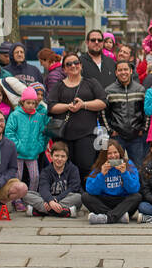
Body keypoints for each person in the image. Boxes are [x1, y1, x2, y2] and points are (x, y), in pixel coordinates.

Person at [46, 53, 107, 181]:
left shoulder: (91, 83)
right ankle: (70, 196)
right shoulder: (59, 86)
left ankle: (85, 196)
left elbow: (102, 102)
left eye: (76, 62)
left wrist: (83, 105)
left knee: (86, 166)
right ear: (64, 69)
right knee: (65, 168)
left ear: (81, 65)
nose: (73, 66)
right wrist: (68, 106)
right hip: (64, 135)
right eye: (69, 64)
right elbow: (51, 107)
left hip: (87, 134)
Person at [5, 87, 49, 205]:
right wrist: (18, 146)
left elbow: (42, 134)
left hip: (32, 153)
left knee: (35, 177)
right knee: (17, 176)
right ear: (22, 102)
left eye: (33, 103)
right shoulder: (15, 115)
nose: (31, 105)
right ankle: (17, 200)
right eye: (28, 102)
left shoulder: (38, 117)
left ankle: (31, 198)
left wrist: (39, 147)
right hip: (18, 153)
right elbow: (9, 132)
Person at [83, 139, 142, 224]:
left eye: (115, 152)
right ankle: (118, 217)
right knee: (85, 197)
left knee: (137, 197)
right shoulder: (100, 165)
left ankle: (107, 218)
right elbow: (90, 190)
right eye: (109, 153)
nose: (113, 156)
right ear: (104, 155)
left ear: (120, 153)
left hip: (122, 201)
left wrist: (124, 173)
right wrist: (101, 175)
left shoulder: (128, 164)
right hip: (105, 201)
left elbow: (134, 189)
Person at [105, 59, 147, 168]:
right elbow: (104, 113)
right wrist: (110, 130)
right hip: (117, 137)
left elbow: (146, 112)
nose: (123, 72)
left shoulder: (140, 89)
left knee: (138, 167)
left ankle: (138, 186)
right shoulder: (109, 91)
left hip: (136, 136)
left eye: (125, 69)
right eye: (120, 70)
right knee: (115, 166)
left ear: (131, 71)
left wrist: (143, 129)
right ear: (116, 72)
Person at [25, 140, 83, 217]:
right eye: (56, 156)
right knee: (26, 194)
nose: (59, 159)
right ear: (51, 156)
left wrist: (55, 200)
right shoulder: (46, 171)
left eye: (63, 156)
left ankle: (40, 211)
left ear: (67, 158)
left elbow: (73, 188)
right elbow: (43, 188)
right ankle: (65, 212)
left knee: (79, 197)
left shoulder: (73, 169)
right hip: (47, 199)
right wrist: (50, 200)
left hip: (65, 198)